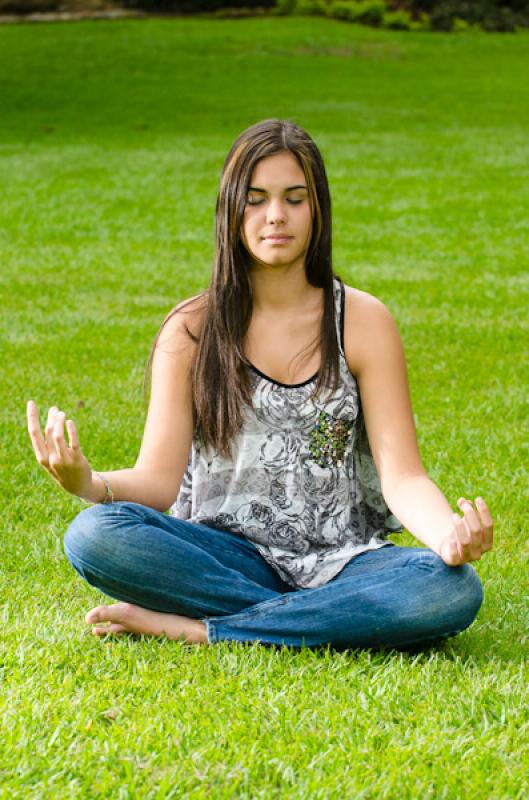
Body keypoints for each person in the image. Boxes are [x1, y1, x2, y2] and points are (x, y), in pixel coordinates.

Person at [27, 119, 493, 651]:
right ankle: (318, 622)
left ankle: (204, 629)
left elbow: (403, 477)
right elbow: (157, 481)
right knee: (93, 535)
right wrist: (87, 483)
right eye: (256, 199)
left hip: (340, 562)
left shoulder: (364, 321)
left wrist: (446, 538)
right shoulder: (191, 329)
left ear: (317, 210)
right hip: (220, 555)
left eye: (295, 199)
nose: (276, 216)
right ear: (231, 211)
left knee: (449, 589)